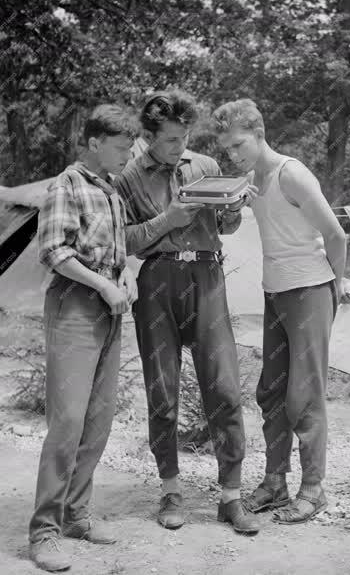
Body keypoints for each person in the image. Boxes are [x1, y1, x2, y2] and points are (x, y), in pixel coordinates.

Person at [213, 98, 350, 524]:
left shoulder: (291, 173)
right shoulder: (250, 180)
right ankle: (275, 482)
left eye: (239, 144)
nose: (234, 154)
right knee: (271, 391)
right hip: (275, 293)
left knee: (304, 393)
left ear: (259, 133)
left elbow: (336, 236)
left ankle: (314, 489)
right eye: (228, 149)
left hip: (310, 292)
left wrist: (335, 287)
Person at [113, 89, 260, 535]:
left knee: (226, 388)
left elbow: (223, 227)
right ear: (150, 137)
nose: (181, 148)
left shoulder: (207, 167)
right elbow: (126, 241)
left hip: (207, 278)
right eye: (172, 140)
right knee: (163, 390)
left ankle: (230, 497)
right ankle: (170, 490)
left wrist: (233, 210)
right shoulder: (129, 176)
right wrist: (168, 221)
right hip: (157, 281)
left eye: (185, 138)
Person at [29, 105, 139, 572]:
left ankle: (76, 514)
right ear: (94, 143)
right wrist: (103, 285)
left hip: (108, 310)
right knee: (68, 422)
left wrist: (125, 278)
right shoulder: (66, 185)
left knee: (98, 420)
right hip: (75, 307)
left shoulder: (111, 190)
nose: (127, 154)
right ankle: (44, 531)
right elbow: (54, 250)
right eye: (120, 147)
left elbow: (118, 251)